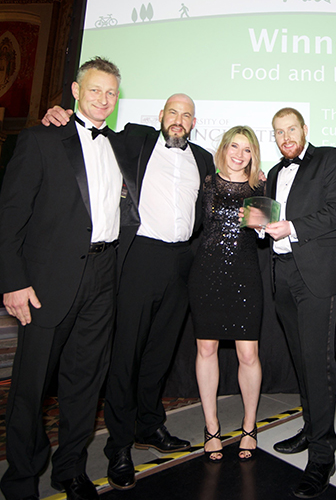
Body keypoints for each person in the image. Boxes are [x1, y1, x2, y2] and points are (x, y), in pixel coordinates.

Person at [41, 94, 215, 491]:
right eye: (173, 112)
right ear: (160, 116)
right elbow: (89, 130)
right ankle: (118, 446)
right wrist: (61, 115)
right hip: (140, 259)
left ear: (193, 122)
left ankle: (150, 427)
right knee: (126, 356)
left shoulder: (203, 158)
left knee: (160, 354)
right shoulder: (134, 140)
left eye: (186, 115)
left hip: (181, 264)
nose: (179, 120)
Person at [0, 57, 132, 500]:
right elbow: (10, 217)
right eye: (95, 90)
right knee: (30, 386)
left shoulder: (121, 146)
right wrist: (13, 282)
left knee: (85, 381)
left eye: (111, 93)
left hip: (103, 276)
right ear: (75, 91)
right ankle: (20, 477)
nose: (103, 100)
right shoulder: (40, 139)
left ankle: (69, 468)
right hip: (45, 282)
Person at [264, 107, 336, 498]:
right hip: (282, 274)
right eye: (279, 132)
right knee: (301, 359)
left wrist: (292, 228)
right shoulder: (272, 174)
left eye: (291, 129)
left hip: (316, 275)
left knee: (318, 363)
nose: (286, 137)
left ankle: (322, 455)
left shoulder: (329, 157)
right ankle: (311, 427)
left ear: (304, 129)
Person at [189, 126, 265, 462]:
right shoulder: (205, 183)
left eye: (246, 149)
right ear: (223, 148)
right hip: (206, 274)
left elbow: (265, 236)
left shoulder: (261, 186)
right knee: (206, 349)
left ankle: (250, 426)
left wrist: (257, 222)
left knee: (248, 354)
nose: (239, 154)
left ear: (253, 155)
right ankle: (211, 427)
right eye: (234, 147)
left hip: (246, 275)